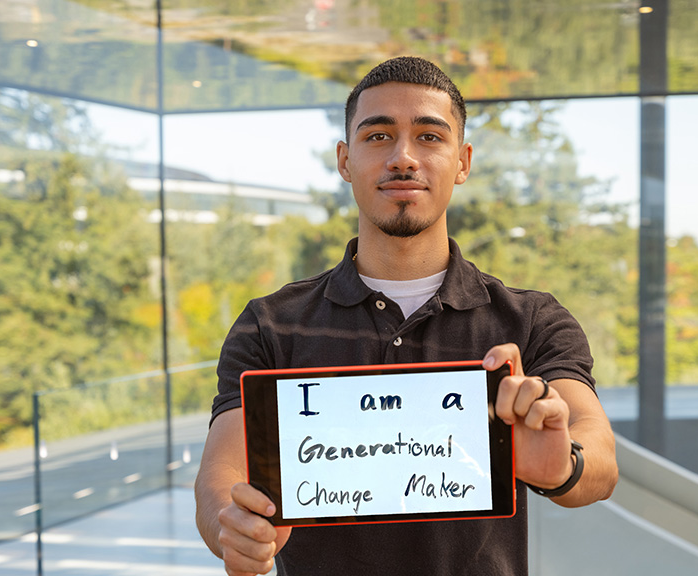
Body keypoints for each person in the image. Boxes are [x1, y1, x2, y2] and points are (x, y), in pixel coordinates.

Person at [194, 56, 618, 576]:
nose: (403, 158)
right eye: (377, 137)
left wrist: (563, 466)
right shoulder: (270, 324)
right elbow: (219, 474)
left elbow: (599, 455)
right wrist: (231, 525)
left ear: (462, 162)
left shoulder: (531, 320)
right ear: (345, 161)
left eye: (429, 137)